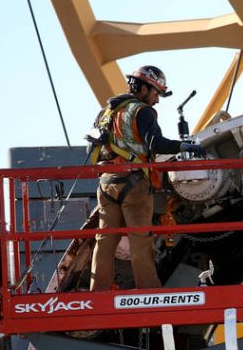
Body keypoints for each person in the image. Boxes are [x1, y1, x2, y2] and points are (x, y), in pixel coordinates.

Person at [87, 65, 204, 291]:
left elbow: (92, 148)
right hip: (134, 185)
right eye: (155, 93)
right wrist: (183, 145)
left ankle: (97, 292)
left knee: (105, 240)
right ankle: (149, 291)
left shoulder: (106, 112)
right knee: (140, 241)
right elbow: (156, 144)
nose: (157, 100)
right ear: (143, 89)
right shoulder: (143, 111)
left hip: (106, 183)